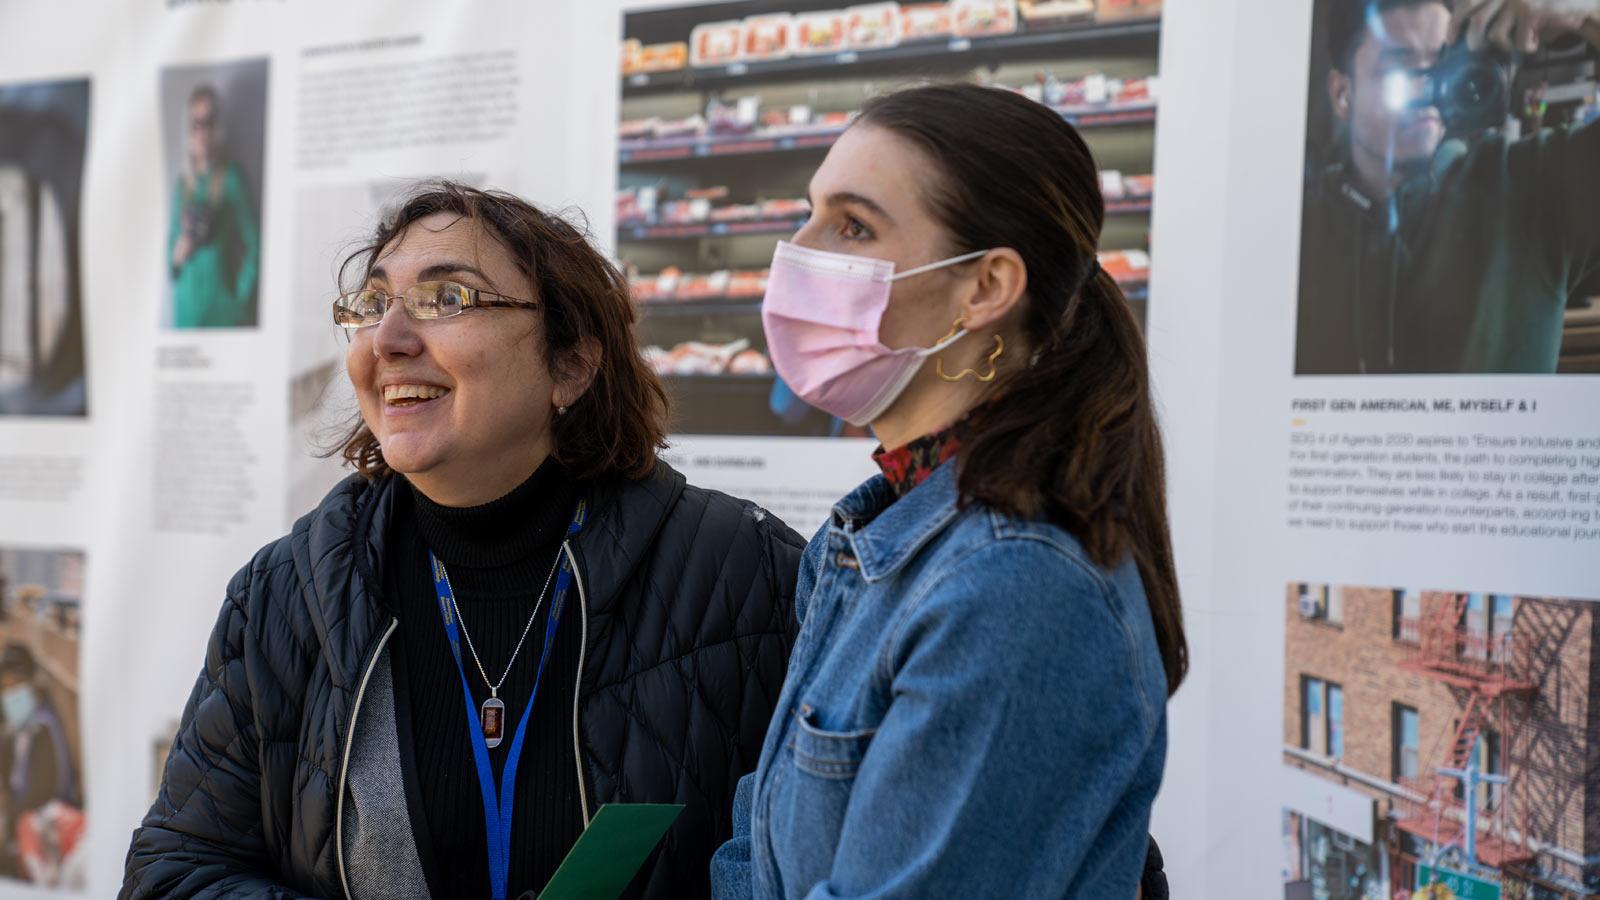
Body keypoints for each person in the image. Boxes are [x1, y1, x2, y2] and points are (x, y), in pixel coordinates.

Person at [124, 183, 805, 899]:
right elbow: (172, 873)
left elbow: (824, 860)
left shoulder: (747, 574)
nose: (387, 340)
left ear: (570, 363)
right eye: (372, 305)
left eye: (447, 299)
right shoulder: (285, 594)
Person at [710, 82, 1187, 898]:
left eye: (852, 225)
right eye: (811, 213)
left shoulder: (1017, 586)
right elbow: (755, 851)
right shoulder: (863, 538)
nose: (800, 251)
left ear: (986, 287)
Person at [1296, 0, 1600, 374]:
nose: (1430, 85)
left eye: (1443, 63)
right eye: (1399, 66)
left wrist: (1585, 14)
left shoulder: (1530, 184)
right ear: (1343, 93)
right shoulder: (1294, 223)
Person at [167, 83, 260, 328]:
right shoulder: (183, 186)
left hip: (221, 314)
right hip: (185, 314)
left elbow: (255, 244)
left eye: (208, 121)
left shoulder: (231, 179)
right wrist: (178, 255)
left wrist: (239, 302)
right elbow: (171, 260)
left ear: (217, 125)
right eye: (195, 122)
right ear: (188, 128)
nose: (201, 130)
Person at [0, 643, 79, 879]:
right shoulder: (19, 730)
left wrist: (9, 815)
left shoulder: (44, 729)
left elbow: (45, 794)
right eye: (4, 687)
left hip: (41, 827)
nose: (9, 694)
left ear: (31, 684)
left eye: (15, 685)